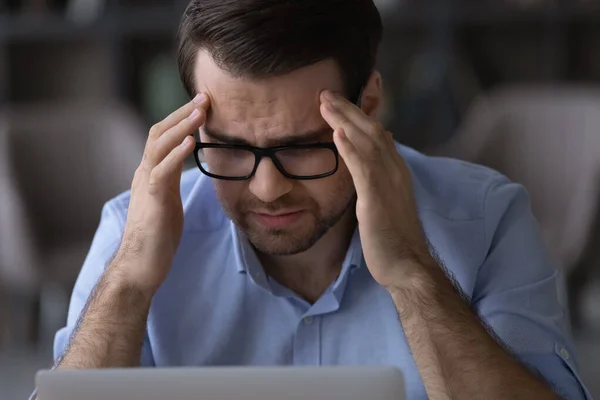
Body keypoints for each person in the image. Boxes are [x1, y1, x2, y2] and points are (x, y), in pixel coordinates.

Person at [32, 0, 590, 399]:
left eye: (301, 147)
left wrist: (413, 271)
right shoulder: (133, 225)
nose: (267, 188)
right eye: (227, 147)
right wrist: (129, 278)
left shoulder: (488, 217)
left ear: (367, 106)